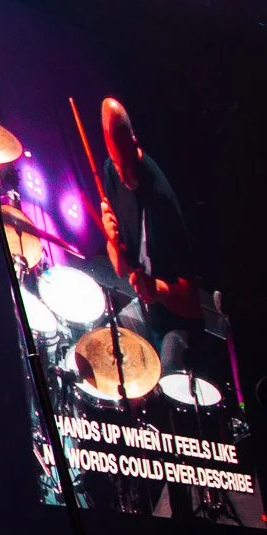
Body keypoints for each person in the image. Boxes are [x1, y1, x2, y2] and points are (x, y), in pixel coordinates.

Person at [96, 97, 203, 371]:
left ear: (135, 142)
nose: (122, 175)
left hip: (176, 319)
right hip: (145, 307)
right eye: (117, 165)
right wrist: (111, 239)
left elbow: (192, 303)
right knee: (109, 350)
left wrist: (156, 289)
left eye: (126, 166)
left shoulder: (162, 200)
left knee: (164, 378)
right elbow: (120, 267)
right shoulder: (111, 170)